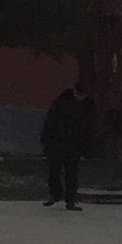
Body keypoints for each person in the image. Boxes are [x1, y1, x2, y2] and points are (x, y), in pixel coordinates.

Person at [41, 78, 94, 210]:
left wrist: (86, 147)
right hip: (57, 141)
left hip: (74, 144)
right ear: (74, 91)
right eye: (78, 94)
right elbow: (50, 120)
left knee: (71, 173)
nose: (79, 97)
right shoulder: (61, 101)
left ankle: (70, 200)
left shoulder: (89, 106)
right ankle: (55, 195)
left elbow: (90, 127)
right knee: (54, 170)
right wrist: (46, 139)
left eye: (82, 95)